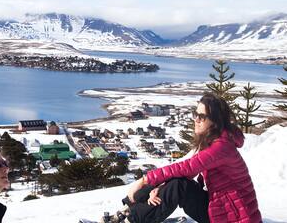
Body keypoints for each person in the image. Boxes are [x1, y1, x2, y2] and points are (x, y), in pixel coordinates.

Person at [106, 93, 262, 223]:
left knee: (178, 186)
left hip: (234, 217)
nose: (196, 119)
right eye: (196, 114)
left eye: (202, 116)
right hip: (223, 207)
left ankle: (132, 218)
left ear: (215, 122)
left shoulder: (221, 147)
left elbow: (186, 168)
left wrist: (144, 180)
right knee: (174, 182)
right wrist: (159, 187)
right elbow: (187, 173)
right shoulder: (215, 140)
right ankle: (127, 210)